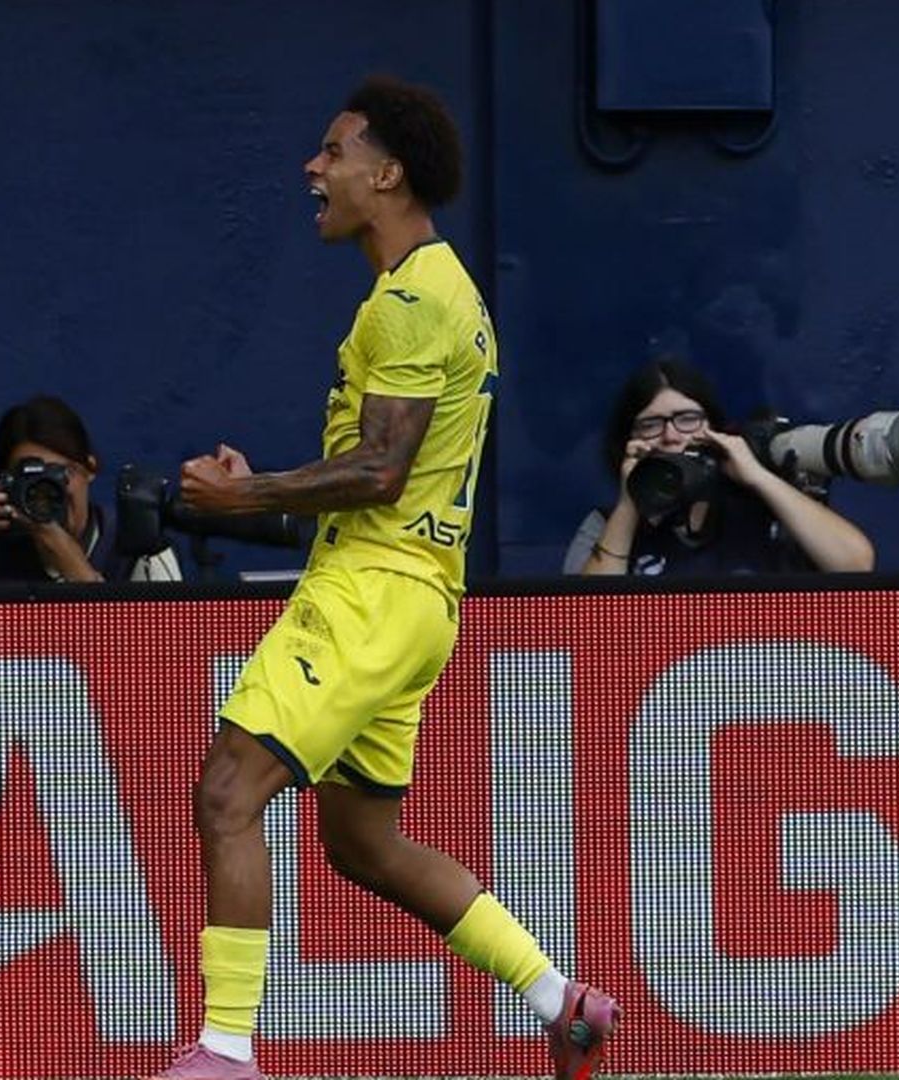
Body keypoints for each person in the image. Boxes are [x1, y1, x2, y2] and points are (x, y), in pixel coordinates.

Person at [152, 77, 619, 1080]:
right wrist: (264, 496)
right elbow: (386, 473)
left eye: (332, 151)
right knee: (364, 845)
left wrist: (246, 497)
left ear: (387, 171)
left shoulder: (411, 298)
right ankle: (560, 999)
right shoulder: (440, 291)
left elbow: (379, 471)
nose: (313, 169)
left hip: (371, 592)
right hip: (419, 599)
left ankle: (226, 1054)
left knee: (228, 791)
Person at [567, 357, 876, 575]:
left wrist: (758, 476)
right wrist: (630, 502)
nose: (671, 435)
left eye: (687, 419)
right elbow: (585, 620)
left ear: (713, 428)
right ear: (629, 438)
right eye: (651, 424)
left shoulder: (764, 506)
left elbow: (855, 564)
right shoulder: (607, 523)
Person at [0, 394, 179, 584]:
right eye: (31, 479)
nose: (46, 492)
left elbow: (167, 645)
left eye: (61, 474)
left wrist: (71, 562)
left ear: (90, 468)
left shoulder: (138, 545)